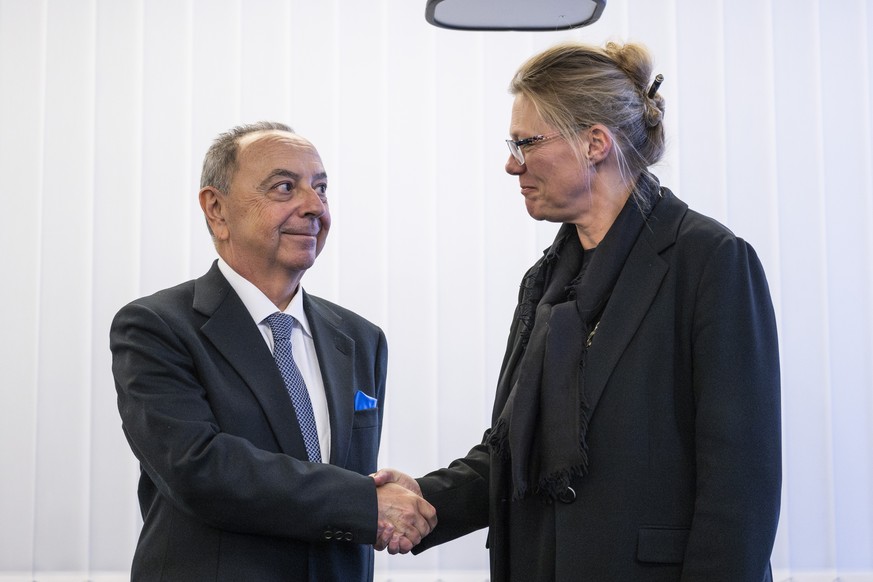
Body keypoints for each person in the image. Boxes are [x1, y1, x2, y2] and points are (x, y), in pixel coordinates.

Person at [375, 41, 782, 580]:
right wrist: (425, 499)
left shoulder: (710, 262)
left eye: (526, 142)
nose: (510, 163)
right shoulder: (545, 281)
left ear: (594, 143)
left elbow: (740, 488)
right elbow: (515, 451)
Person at [110, 121, 436, 581]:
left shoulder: (362, 339)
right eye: (285, 187)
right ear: (216, 209)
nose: (313, 207)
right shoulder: (156, 327)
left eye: (321, 189)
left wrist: (395, 501)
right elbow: (199, 468)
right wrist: (365, 503)